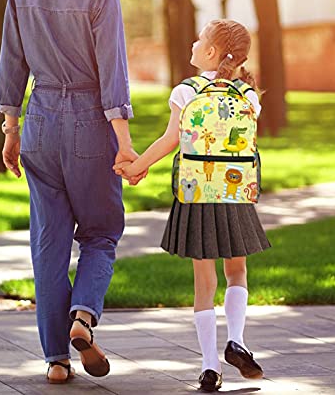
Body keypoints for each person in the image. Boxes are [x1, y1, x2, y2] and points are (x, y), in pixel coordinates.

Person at [0, 0, 145, 384]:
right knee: (101, 233)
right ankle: (83, 316)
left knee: (49, 243)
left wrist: (11, 130)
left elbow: (11, 65)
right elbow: (112, 77)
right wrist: (124, 144)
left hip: (38, 122)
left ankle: (56, 359)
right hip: (89, 125)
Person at [114, 19, 271, 392]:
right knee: (237, 273)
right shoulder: (248, 96)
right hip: (235, 196)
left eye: (199, 39)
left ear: (212, 53)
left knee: (204, 282)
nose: (193, 42)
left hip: (195, 193)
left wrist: (136, 167)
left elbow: (171, 139)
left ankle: (209, 366)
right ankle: (238, 340)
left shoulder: (186, 92)